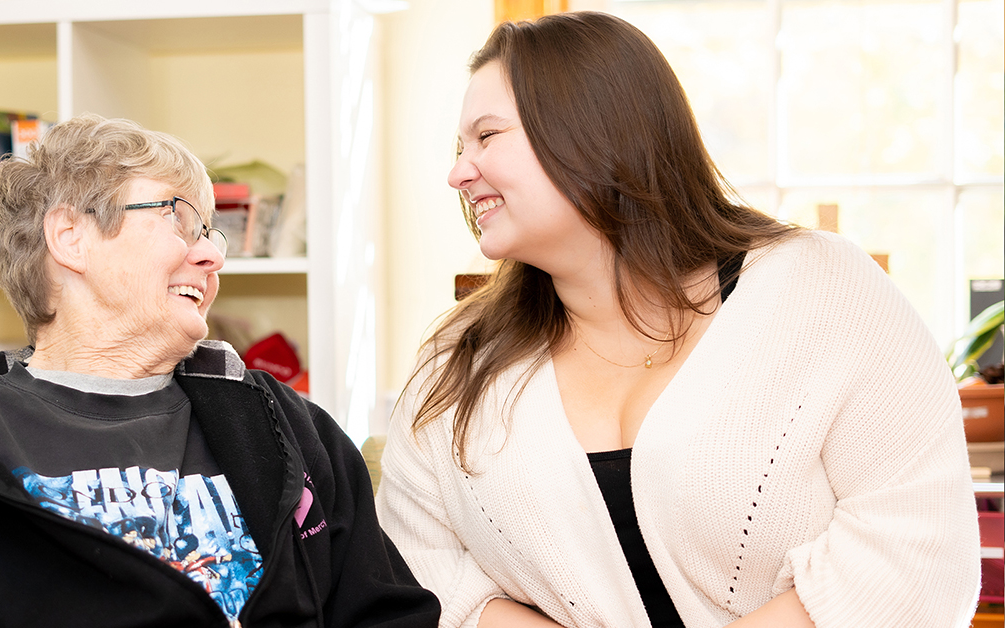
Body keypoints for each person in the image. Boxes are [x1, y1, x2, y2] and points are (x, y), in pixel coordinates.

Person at [375, 11, 981, 628]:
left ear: (592, 131)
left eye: (487, 136)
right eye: (458, 148)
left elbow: (913, 552)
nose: (457, 173)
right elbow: (416, 573)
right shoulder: (454, 362)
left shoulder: (826, 292)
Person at [0, 113, 440, 628]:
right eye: (179, 219)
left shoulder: (287, 425)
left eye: (210, 231)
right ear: (71, 238)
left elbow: (388, 614)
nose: (211, 254)